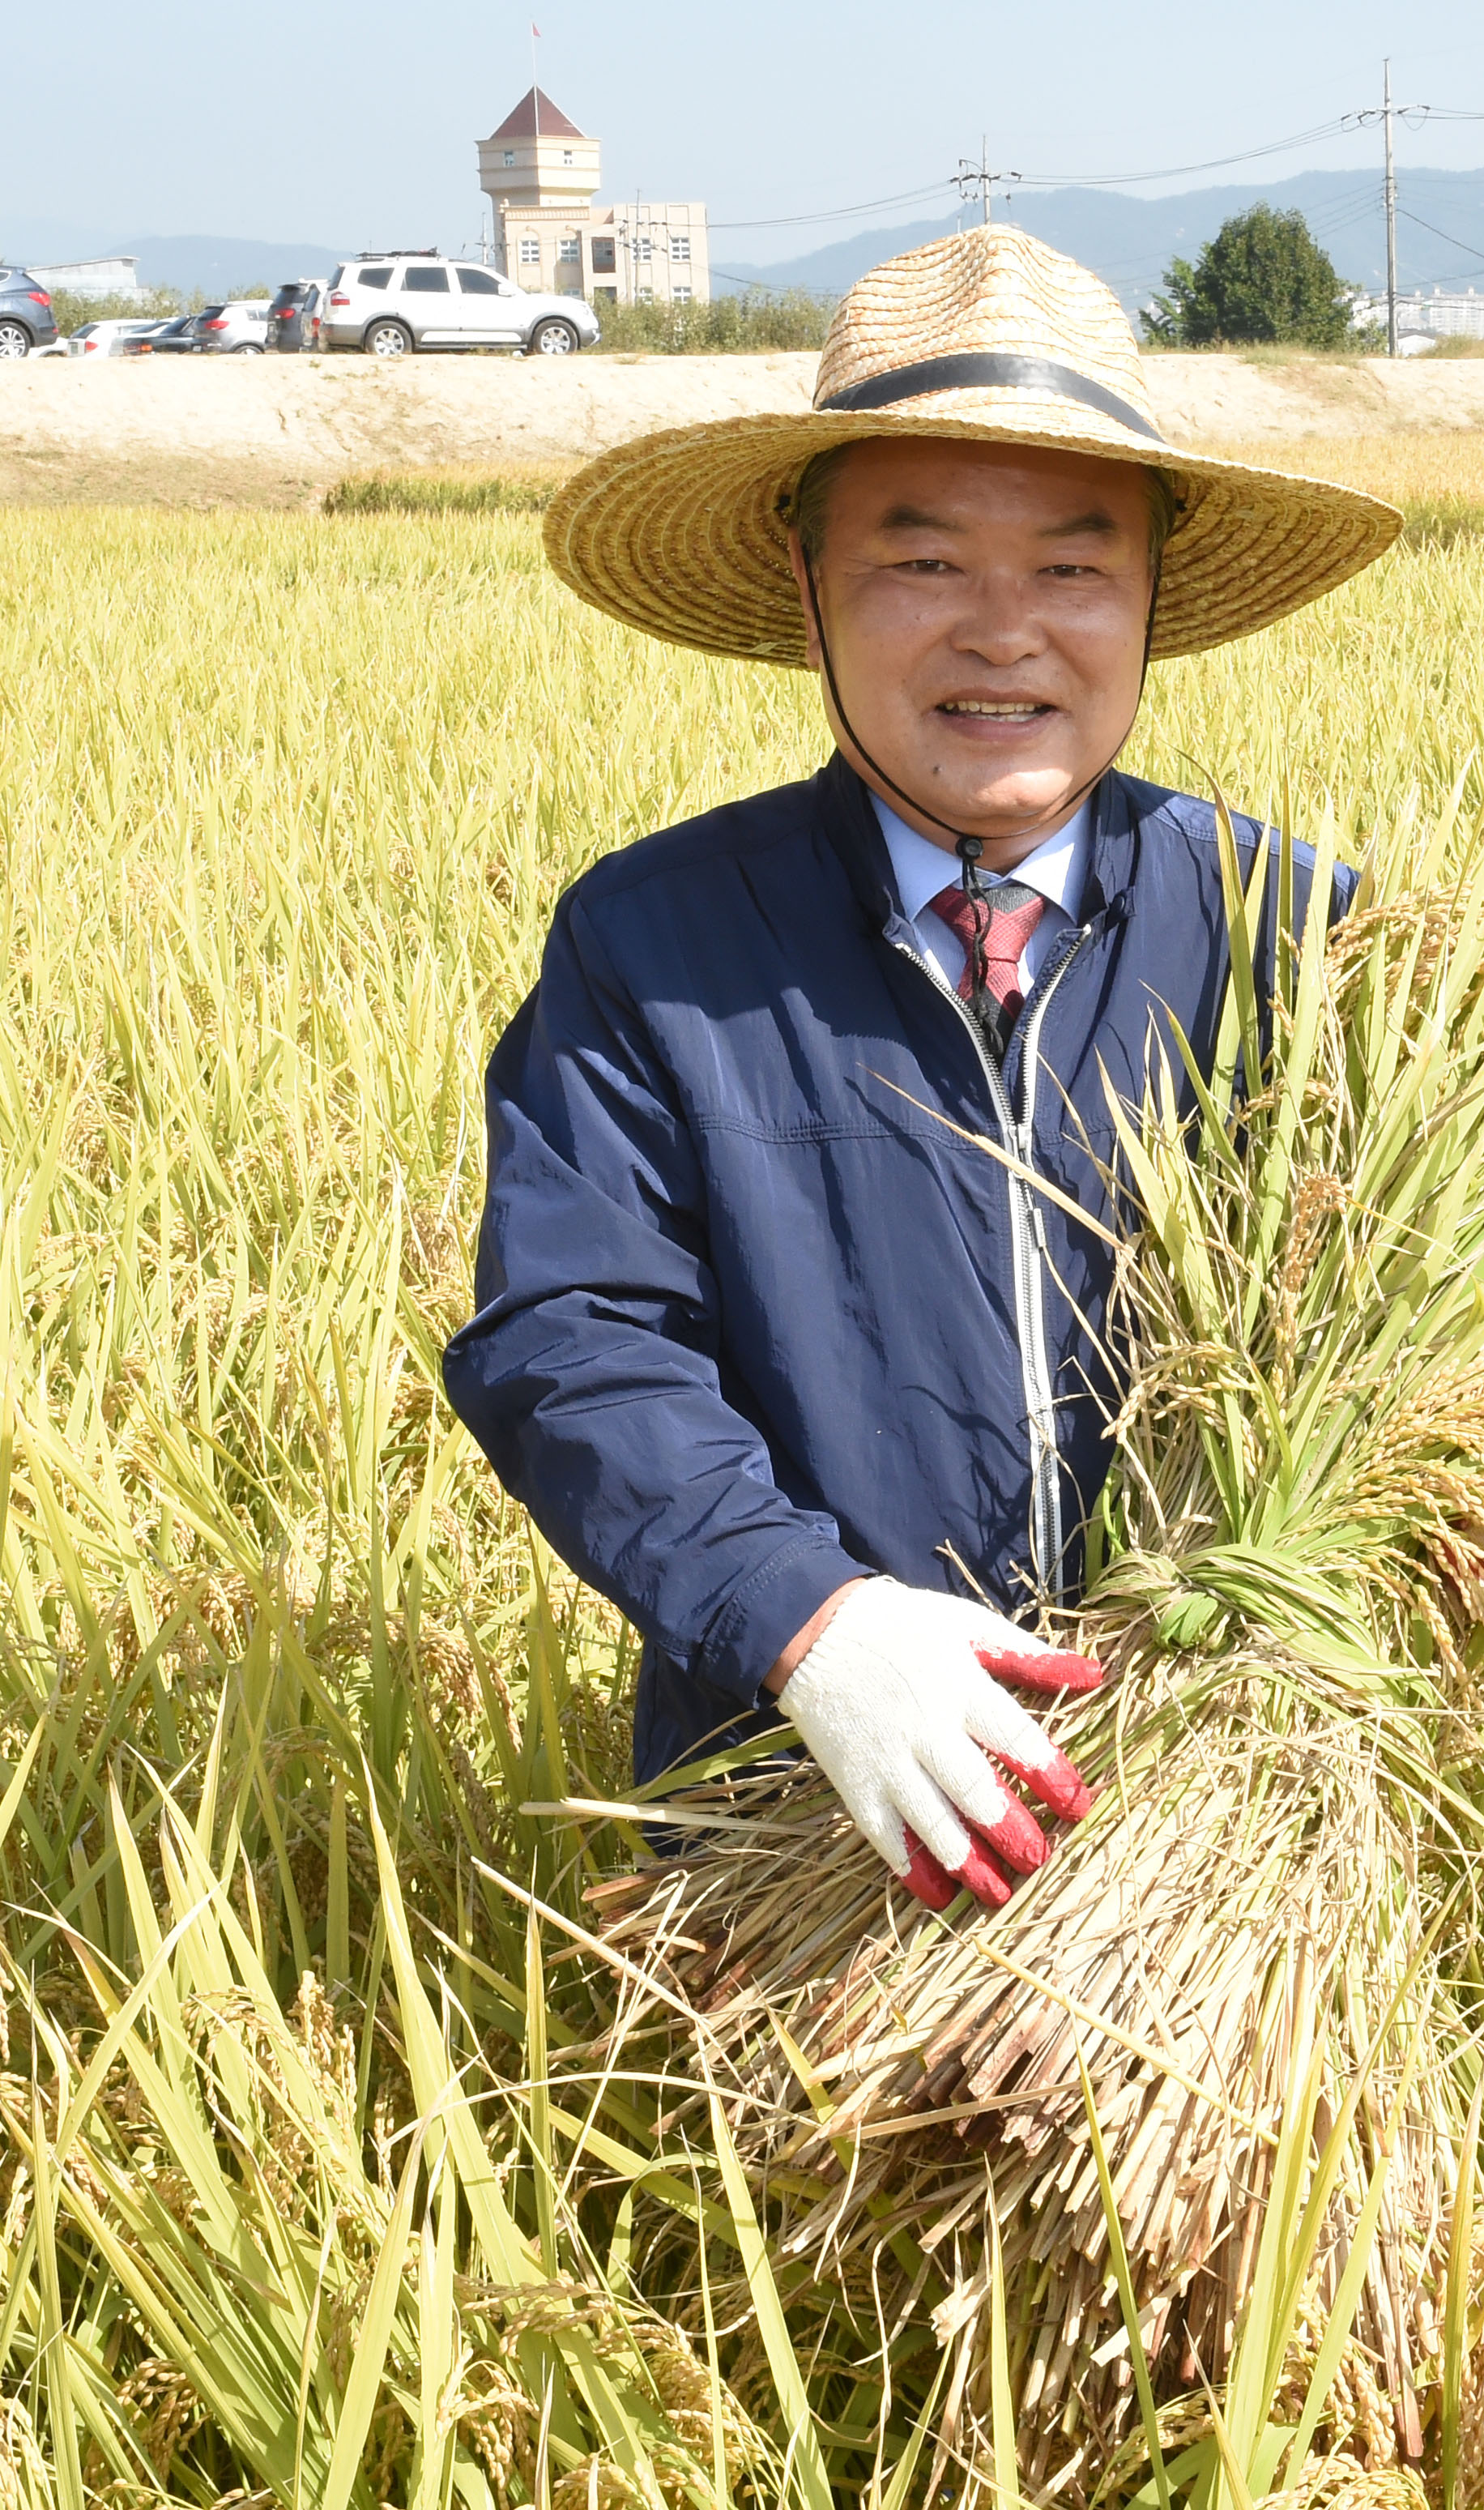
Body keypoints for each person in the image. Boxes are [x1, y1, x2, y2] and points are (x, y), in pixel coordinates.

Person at [441, 227, 1397, 1913]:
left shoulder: (1294, 935)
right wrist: (812, 1625)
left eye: (1073, 568)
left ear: (1152, 598)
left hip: (1217, 1802)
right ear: (809, 588)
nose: (1004, 636)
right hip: (790, 1800)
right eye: (926, 565)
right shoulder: (656, 943)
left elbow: (1422, 1318)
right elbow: (571, 1339)